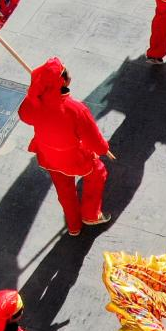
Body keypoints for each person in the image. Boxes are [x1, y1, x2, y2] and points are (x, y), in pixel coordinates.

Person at [17, 57, 113, 235]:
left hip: (48, 155)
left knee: (64, 190)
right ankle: (91, 214)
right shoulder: (76, 109)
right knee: (98, 173)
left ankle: (74, 225)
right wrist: (103, 149)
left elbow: (24, 115)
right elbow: (92, 137)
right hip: (73, 156)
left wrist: (34, 93)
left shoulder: (34, 104)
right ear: (64, 81)